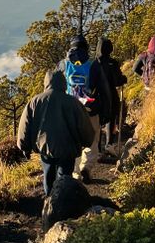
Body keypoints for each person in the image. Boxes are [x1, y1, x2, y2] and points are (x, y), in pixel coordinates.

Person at [17, 70, 96, 196]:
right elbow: (84, 125)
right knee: (65, 178)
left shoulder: (35, 101)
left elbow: (25, 126)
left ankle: (50, 202)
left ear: (46, 83)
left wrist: (24, 147)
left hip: (45, 148)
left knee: (48, 177)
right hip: (68, 149)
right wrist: (87, 141)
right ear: (63, 83)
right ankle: (64, 205)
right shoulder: (73, 102)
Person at [58, 34, 111, 179]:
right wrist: (107, 110)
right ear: (86, 47)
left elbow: (55, 85)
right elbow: (103, 88)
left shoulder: (64, 64)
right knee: (91, 140)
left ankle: (75, 173)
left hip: (70, 109)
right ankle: (86, 167)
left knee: (73, 140)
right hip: (90, 109)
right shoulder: (93, 64)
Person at [95, 37, 128, 150]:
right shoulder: (112, 63)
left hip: (97, 96)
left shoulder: (94, 63)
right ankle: (109, 144)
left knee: (98, 121)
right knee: (110, 118)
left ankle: (97, 147)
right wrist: (123, 79)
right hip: (110, 95)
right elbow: (117, 81)